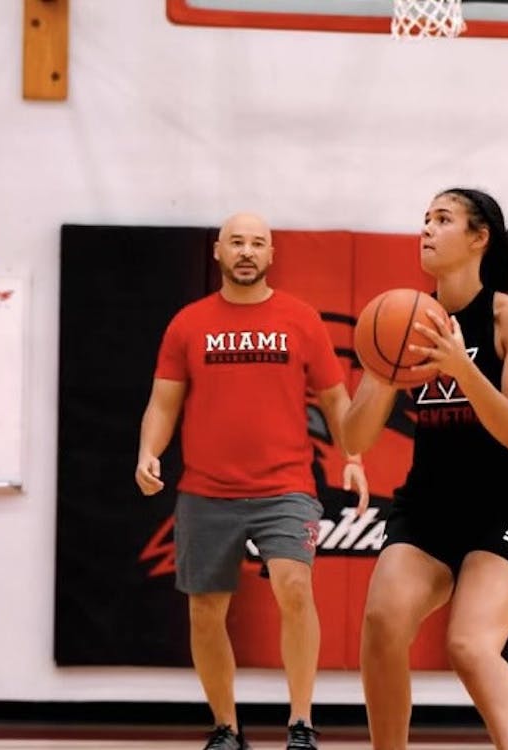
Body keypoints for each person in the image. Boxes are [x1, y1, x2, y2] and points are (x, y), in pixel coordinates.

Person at [135, 211, 369, 750]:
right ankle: (225, 728)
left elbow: (337, 400)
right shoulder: (188, 324)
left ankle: (302, 723)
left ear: (271, 255)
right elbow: (163, 401)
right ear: (217, 251)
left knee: (294, 586)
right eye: (236, 242)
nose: (246, 251)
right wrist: (149, 451)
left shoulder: (300, 318)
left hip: (285, 486)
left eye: (257, 243)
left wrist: (353, 455)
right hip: (206, 490)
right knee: (205, 610)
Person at [343, 188, 508, 750]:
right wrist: (384, 374)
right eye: (424, 220)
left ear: (478, 237)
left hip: (507, 514)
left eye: (443, 220)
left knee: (468, 644)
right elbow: (353, 436)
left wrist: (462, 367)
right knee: (383, 622)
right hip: (429, 512)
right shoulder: (404, 318)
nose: (427, 231)